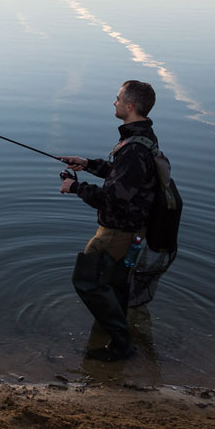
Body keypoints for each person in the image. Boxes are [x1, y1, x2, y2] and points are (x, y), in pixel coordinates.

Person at [58, 80, 161, 362]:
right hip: (132, 229)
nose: (113, 102)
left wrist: (75, 188)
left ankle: (122, 344)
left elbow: (113, 199)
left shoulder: (134, 149)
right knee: (114, 286)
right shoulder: (142, 138)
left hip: (117, 232)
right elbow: (122, 177)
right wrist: (88, 164)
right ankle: (110, 333)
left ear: (129, 106)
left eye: (117, 99)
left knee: (86, 280)